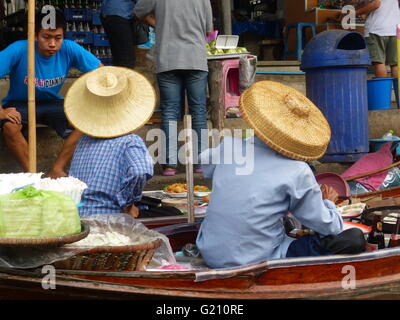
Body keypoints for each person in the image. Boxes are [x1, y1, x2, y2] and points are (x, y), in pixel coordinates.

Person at [196, 81, 366, 269]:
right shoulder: (297, 171)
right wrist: (328, 203)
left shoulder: (228, 147)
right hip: (257, 259)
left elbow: (205, 164)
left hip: (210, 253)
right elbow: (329, 227)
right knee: (354, 238)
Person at [0, 9, 102, 178]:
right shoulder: (18, 49)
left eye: (58, 38)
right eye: (46, 37)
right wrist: (1, 112)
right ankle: (33, 176)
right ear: (34, 35)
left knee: (86, 120)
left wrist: (89, 99)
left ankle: (57, 169)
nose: (53, 44)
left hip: (52, 104)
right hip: (20, 104)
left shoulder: (69, 48)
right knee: (10, 127)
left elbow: (101, 73)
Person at [134, 0, 213, 176]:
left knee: (170, 111)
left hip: (168, 58)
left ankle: (170, 165)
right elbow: (209, 30)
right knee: (198, 111)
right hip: (195, 58)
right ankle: (201, 163)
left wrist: (158, 24)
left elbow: (137, 13)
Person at [66, 66, 156, 216]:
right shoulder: (130, 142)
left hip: (77, 216)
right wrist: (128, 203)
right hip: (110, 218)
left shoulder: (83, 140)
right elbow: (139, 172)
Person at [355, 0, 399, 78]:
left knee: (379, 62)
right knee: (395, 64)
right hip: (394, 29)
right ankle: (398, 89)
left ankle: (382, 90)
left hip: (376, 30)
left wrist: (355, 13)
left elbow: (376, 4)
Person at [100, 0, 146, 68]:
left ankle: (119, 76)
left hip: (110, 13)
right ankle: (124, 77)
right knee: (126, 58)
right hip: (119, 14)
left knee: (119, 56)